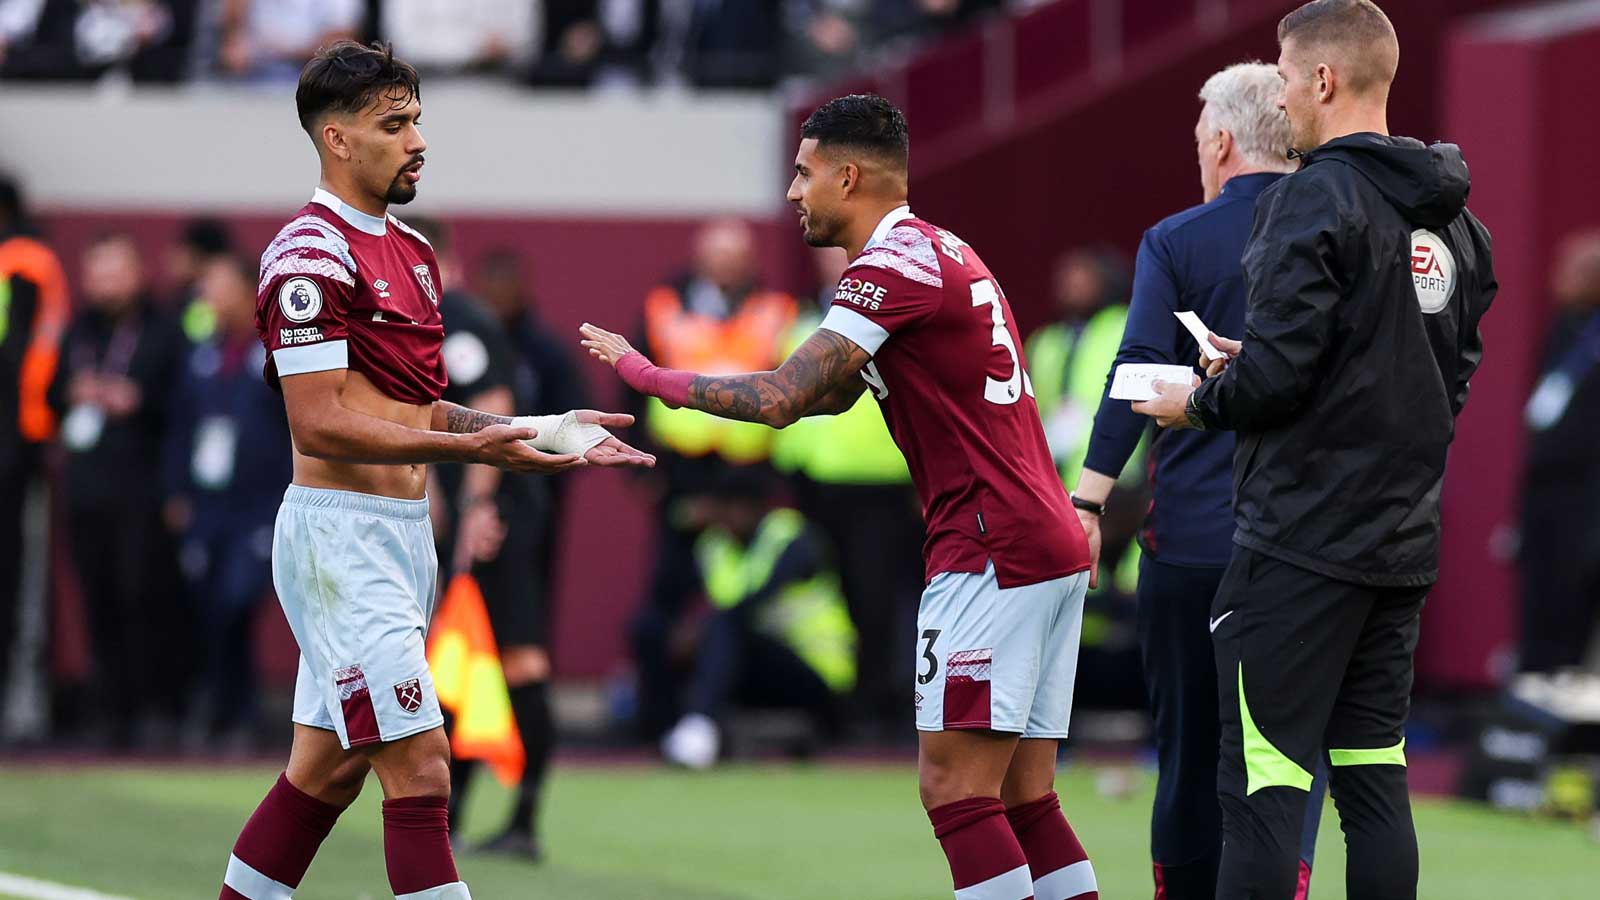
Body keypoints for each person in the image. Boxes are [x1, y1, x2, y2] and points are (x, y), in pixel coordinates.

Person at [584, 94, 1099, 900]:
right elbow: (826, 397)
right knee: (1023, 797)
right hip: (1045, 539)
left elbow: (784, 396)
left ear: (847, 176)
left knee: (955, 792)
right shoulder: (941, 250)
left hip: (991, 548)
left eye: (802, 172)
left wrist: (648, 375)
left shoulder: (889, 266)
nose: (791, 192)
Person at [215, 41, 652, 900]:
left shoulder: (412, 252)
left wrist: (538, 431)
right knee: (423, 766)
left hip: (404, 543)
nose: (418, 139)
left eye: (417, 117)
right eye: (394, 122)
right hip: (340, 546)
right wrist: (470, 452)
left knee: (325, 774)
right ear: (336, 140)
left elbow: (420, 411)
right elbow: (320, 422)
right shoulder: (307, 254)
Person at [1131, 4, 1496, 898]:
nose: (1283, 99)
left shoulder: (1311, 198)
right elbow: (1443, 377)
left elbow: (1278, 382)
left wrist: (1200, 397)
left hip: (1297, 544)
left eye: (1288, 79)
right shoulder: (1457, 222)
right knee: (1375, 783)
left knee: (1263, 788)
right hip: (1399, 543)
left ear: (1324, 81)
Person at [1075, 62, 1323, 900]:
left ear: (1221, 141)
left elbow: (1135, 376)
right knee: (1289, 755)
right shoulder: (1348, 229)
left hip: (1191, 542)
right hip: (1311, 543)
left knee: (1188, 754)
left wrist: (1088, 499)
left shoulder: (1180, 240)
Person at [409, 219, 558, 862]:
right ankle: (455, 819)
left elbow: (492, 411)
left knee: (515, 659)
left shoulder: (460, 319)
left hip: (498, 519)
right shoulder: (425, 324)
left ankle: (523, 818)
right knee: (462, 667)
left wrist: (479, 506)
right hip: (471, 517)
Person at [628, 218, 797, 742]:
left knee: (745, 604)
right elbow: (632, 384)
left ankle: (720, 715)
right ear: (700, 258)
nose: (726, 265)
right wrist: (648, 475)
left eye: (736, 254)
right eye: (717, 254)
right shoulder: (664, 306)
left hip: (748, 484)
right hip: (682, 479)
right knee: (665, 606)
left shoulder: (777, 311)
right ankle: (656, 719)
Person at [771, 245, 922, 736]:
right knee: (827, 600)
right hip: (816, 483)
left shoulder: (885, 318)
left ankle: (881, 703)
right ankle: (843, 702)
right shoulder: (801, 319)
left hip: (879, 482)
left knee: (876, 598)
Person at [48, 230, 190, 750]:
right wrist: (74, 393)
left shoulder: (162, 331)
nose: (105, 284)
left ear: (136, 273)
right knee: (97, 597)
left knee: (143, 597)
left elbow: (181, 406)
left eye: (115, 271)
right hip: (87, 490)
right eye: (97, 273)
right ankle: (109, 713)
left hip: (142, 490)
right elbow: (49, 397)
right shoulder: (77, 333)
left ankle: (156, 709)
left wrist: (137, 400)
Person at [163, 254, 290, 750]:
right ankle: (217, 706)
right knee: (207, 605)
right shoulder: (201, 356)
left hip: (257, 506)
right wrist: (176, 492)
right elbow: (179, 429)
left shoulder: (273, 355)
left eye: (217, 286)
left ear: (245, 291)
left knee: (239, 600)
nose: (207, 298)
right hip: (208, 505)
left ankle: (242, 710)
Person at [662, 465, 856, 769]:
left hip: (817, 673)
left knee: (722, 625)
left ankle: (699, 725)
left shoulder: (793, 538)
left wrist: (700, 629)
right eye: (720, 507)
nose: (725, 517)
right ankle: (684, 726)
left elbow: (755, 601)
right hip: (757, 667)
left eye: (733, 507)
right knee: (664, 632)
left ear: (757, 507)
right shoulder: (713, 546)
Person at [0, 174, 67, 739]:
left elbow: (33, 356)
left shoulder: (26, 264)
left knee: (22, 579)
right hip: (18, 445)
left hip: (17, 452)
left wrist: (29, 432)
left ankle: (24, 706)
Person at [1517, 230, 1600, 676]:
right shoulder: (1563, 329)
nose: (1558, 278)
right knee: (1538, 606)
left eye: (1571, 269)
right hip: (1546, 498)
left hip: (1587, 505)